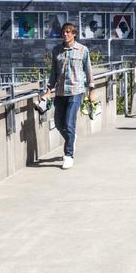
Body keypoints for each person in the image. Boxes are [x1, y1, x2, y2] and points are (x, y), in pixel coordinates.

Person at [41, 22, 94, 169]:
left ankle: (68, 155)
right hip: (60, 92)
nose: (66, 34)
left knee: (69, 123)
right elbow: (53, 72)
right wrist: (48, 90)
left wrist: (91, 91)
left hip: (76, 92)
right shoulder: (56, 50)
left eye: (69, 32)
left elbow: (89, 71)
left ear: (74, 34)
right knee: (58, 123)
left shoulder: (83, 50)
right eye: (64, 32)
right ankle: (71, 138)